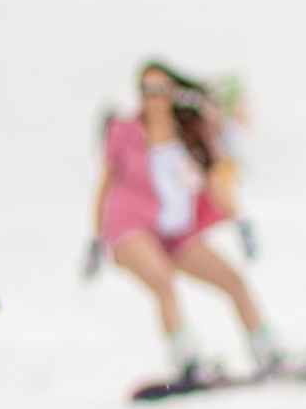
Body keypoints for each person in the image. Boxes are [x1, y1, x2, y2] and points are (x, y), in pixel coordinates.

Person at [94, 62, 288, 384]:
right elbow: (105, 183)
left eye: (159, 91)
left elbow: (214, 181)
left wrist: (240, 221)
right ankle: (187, 358)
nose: (152, 99)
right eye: (146, 91)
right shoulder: (124, 132)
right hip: (130, 225)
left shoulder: (189, 132)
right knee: (163, 281)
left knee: (233, 280)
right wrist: (97, 237)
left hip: (174, 231)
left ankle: (268, 350)